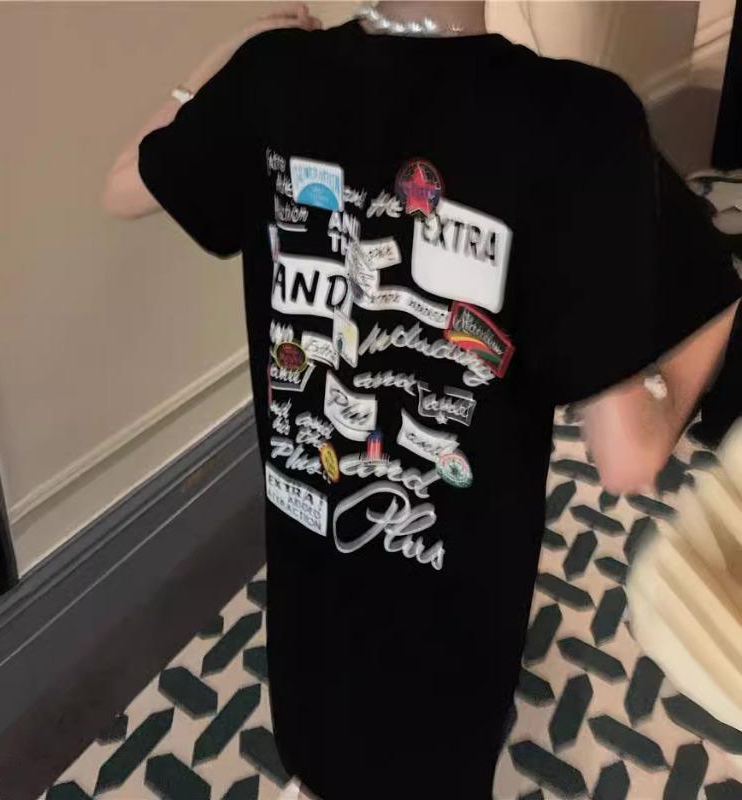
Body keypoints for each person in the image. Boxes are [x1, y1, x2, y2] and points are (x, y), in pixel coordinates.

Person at [102, 3, 742, 797]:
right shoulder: (577, 117)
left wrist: (220, 60)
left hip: (310, 638)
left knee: (322, 753)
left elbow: (121, 188)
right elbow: (628, 457)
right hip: (454, 658)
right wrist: (716, 318)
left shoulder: (271, 75)